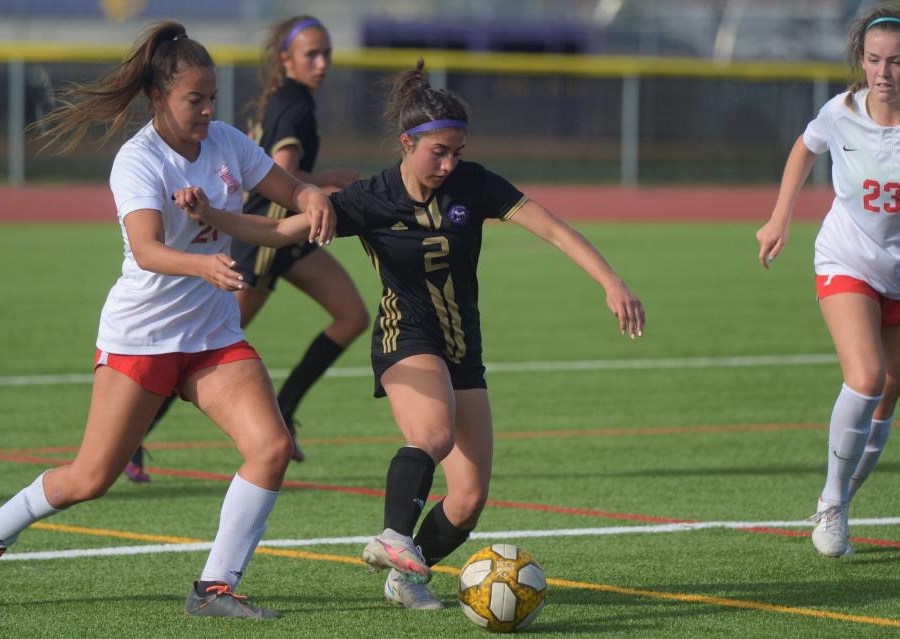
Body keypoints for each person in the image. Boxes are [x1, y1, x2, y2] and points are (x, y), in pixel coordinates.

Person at [170, 59, 646, 609]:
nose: (448, 163)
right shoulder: (370, 198)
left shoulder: (476, 184)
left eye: (456, 152)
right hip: (405, 338)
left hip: (464, 346)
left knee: (467, 498)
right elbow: (279, 231)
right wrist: (212, 214)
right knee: (433, 433)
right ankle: (394, 536)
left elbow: (555, 230)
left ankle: (405, 574)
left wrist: (612, 282)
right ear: (407, 143)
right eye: (437, 152)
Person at [0, 21, 335, 617]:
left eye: (212, 97)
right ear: (160, 98)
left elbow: (289, 189)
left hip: (212, 336)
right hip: (144, 335)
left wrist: (313, 199)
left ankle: (213, 589)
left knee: (269, 446)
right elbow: (147, 249)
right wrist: (203, 266)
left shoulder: (228, 143)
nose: (208, 109)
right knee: (90, 478)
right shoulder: (138, 160)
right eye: (195, 99)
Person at [123, 16, 367, 481]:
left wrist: (313, 190)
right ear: (286, 58)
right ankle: (134, 435)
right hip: (265, 235)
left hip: (286, 234)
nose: (321, 63)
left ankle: (285, 409)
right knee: (197, 349)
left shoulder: (285, 101)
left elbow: (286, 177)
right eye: (311, 54)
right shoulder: (292, 105)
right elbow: (285, 171)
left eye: (327, 54)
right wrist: (325, 183)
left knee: (352, 315)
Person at [756, 5, 900, 558]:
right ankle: (830, 503)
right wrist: (780, 217)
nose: (883, 73)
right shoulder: (842, 111)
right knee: (867, 375)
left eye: (896, 62)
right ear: (861, 61)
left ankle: (845, 499)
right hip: (847, 259)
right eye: (874, 60)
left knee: (888, 397)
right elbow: (806, 147)